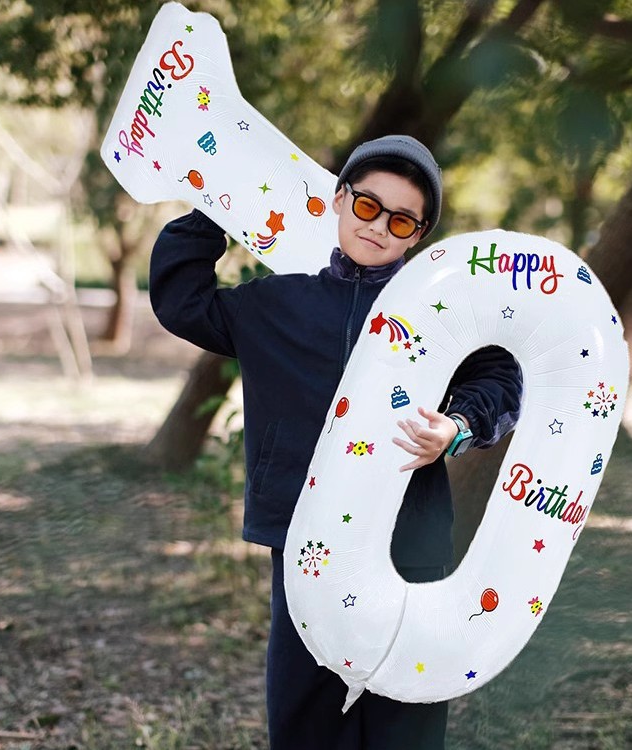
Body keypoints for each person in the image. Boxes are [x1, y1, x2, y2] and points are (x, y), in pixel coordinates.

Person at [149, 135, 522, 749]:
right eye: (368, 205)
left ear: (417, 235)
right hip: (304, 542)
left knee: (406, 719)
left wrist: (457, 427)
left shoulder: (443, 315)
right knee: (307, 717)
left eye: (400, 220)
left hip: (411, 543)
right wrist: (215, 204)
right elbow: (181, 301)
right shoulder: (274, 304)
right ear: (339, 199)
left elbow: (501, 378)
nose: (378, 226)